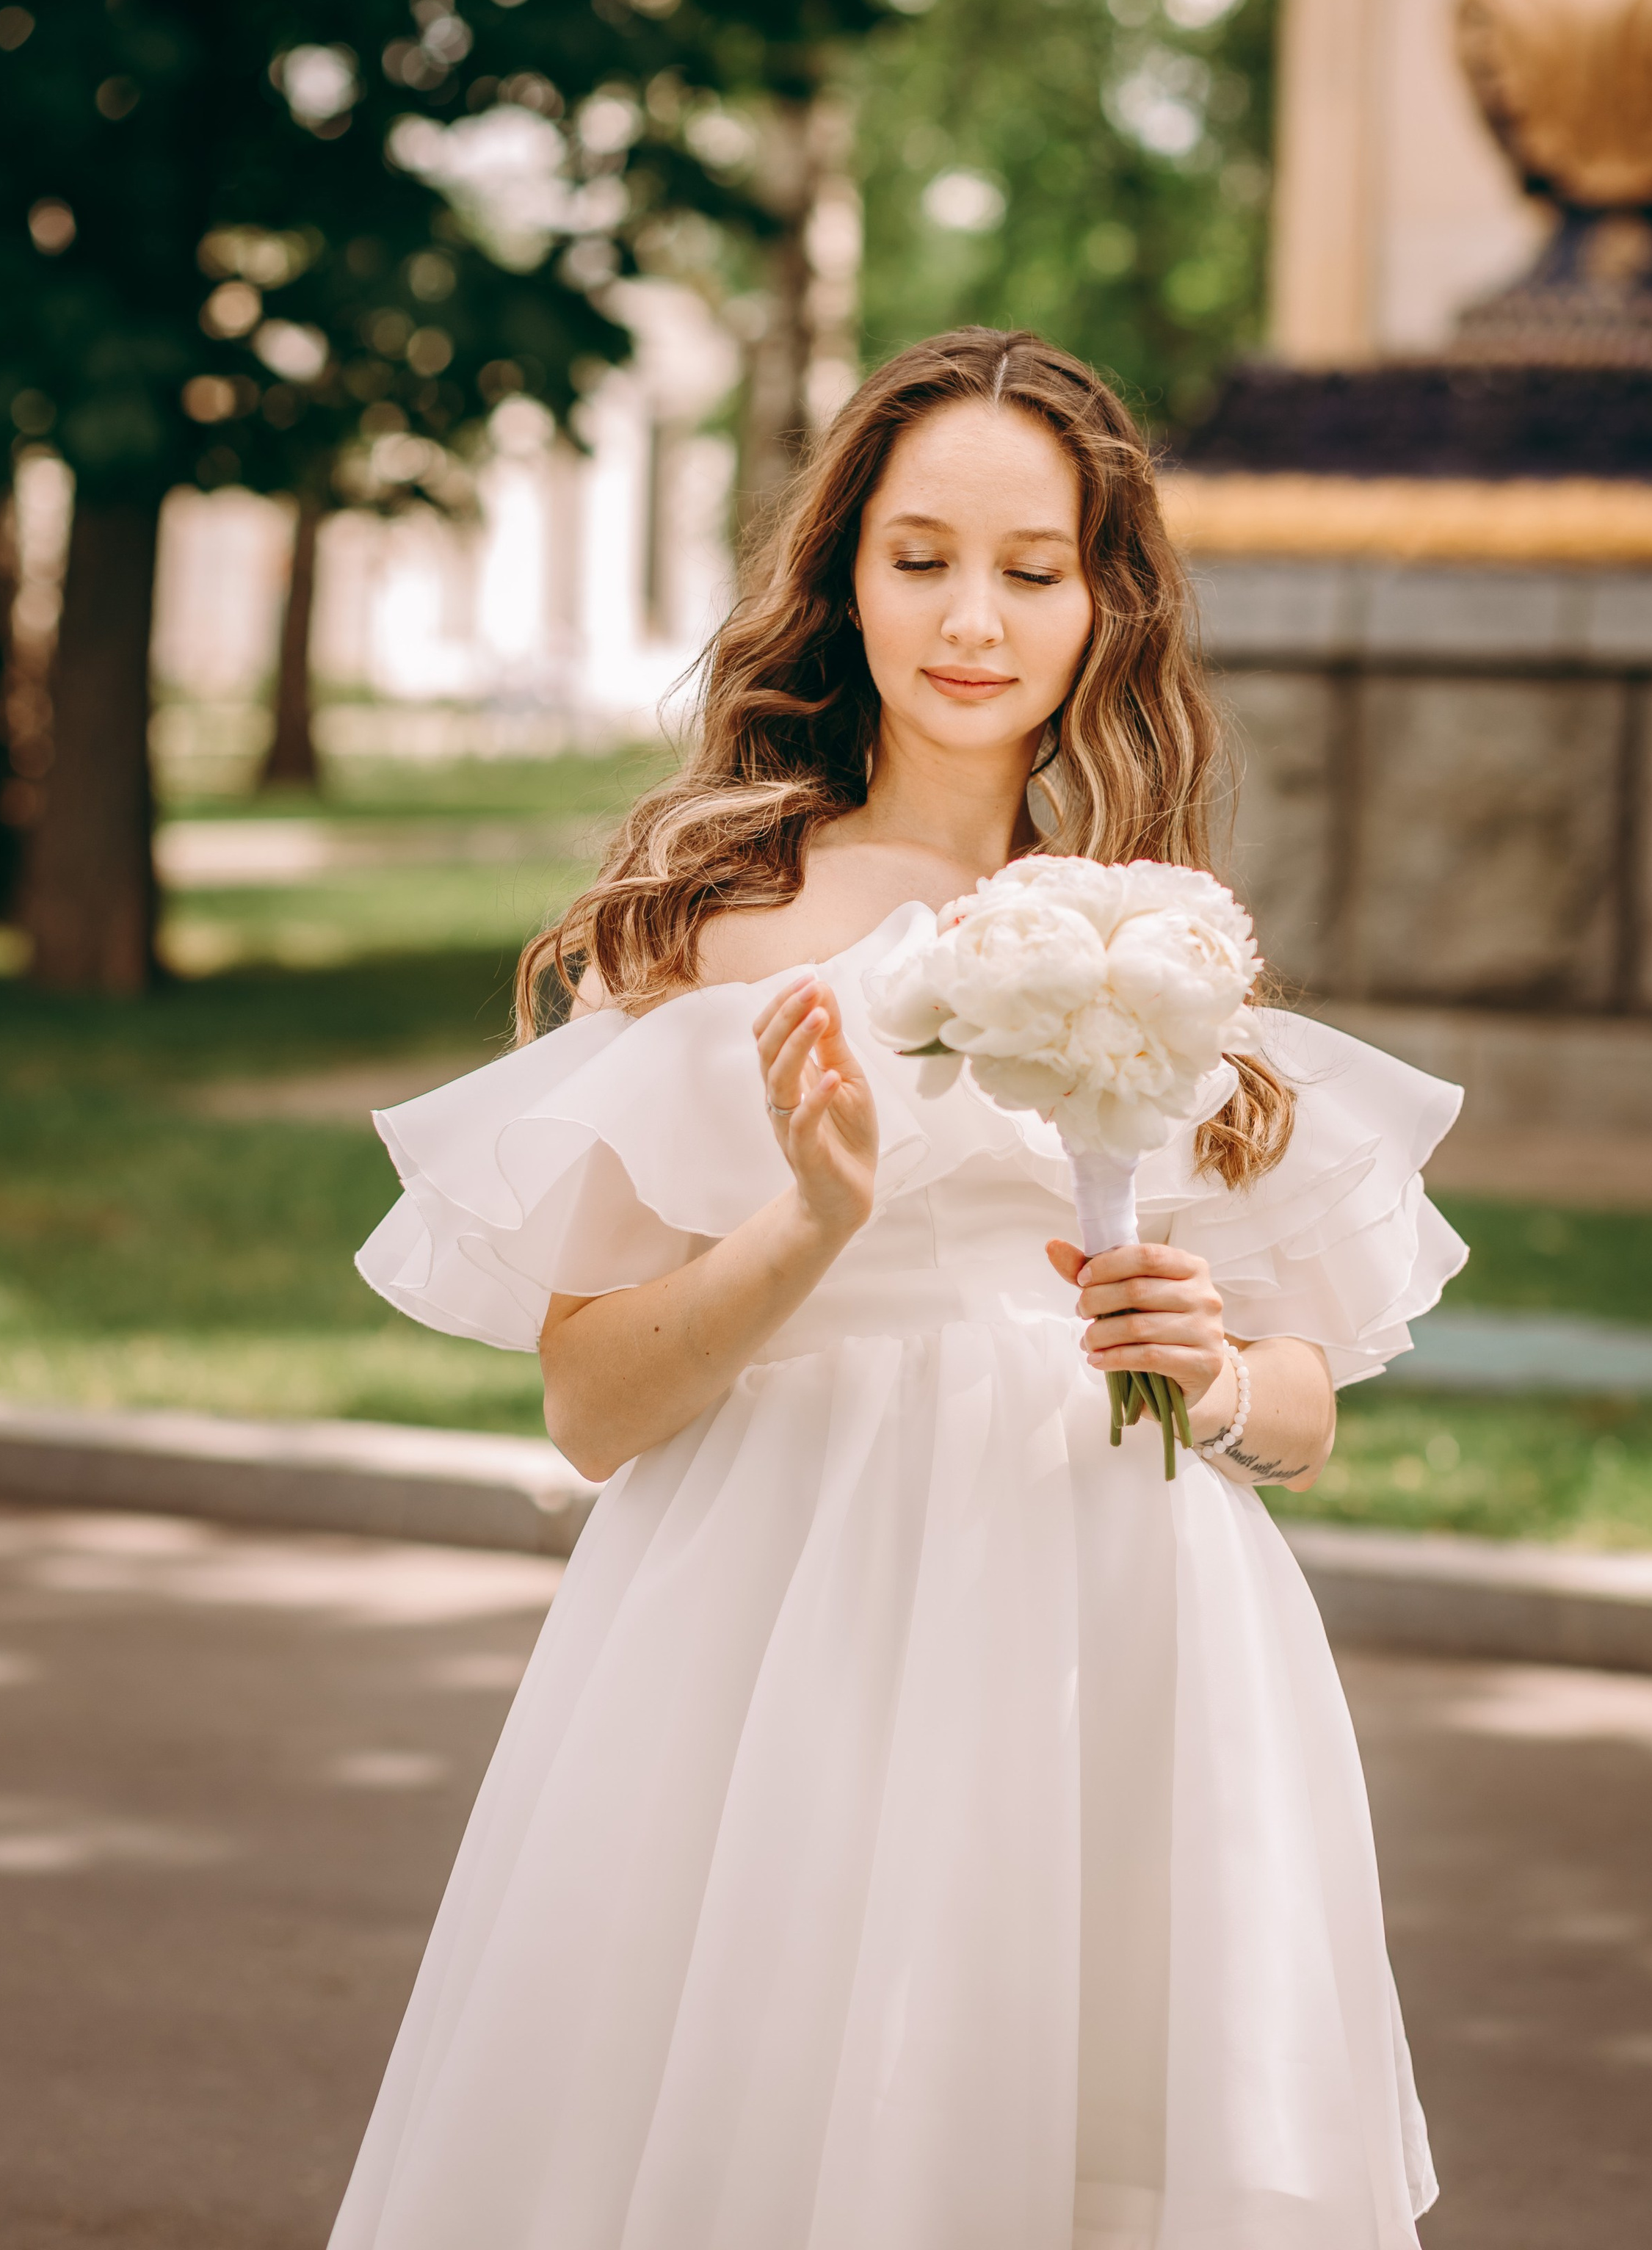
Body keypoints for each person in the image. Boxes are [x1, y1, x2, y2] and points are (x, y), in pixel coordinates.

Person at [331, 328, 1466, 2250]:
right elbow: (591, 1406)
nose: (973, 617)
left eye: (1035, 569)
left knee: (1092, 2140)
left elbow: (1307, 1412)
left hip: (1131, 1620)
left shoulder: (1163, 932)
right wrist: (809, 1222)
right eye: (921, 555)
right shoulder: (713, 920)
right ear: (843, 574)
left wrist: (1209, 1375)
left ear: (1110, 602)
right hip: (789, 1619)